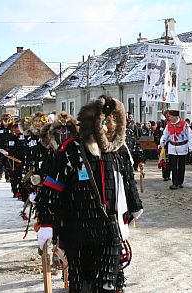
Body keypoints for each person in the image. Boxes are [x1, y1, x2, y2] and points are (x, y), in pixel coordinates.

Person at [35, 95, 143, 292]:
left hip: (110, 232)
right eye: (104, 122)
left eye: (112, 122)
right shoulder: (71, 150)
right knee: (81, 286)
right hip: (77, 232)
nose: (109, 127)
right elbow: (51, 188)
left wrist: (134, 206)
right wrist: (47, 223)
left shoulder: (118, 151)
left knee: (107, 285)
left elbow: (127, 181)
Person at [160, 109, 192, 189]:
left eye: (171, 117)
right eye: (169, 117)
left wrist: (191, 147)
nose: (169, 118)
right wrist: (162, 141)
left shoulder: (184, 125)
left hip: (182, 148)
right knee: (173, 166)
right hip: (172, 148)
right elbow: (165, 135)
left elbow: (190, 135)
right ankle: (174, 183)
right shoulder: (168, 125)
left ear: (176, 117)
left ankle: (180, 182)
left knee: (181, 166)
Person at [0, 114, 13, 181]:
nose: (5, 121)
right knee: (0, 163)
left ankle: (8, 176)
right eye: (4, 119)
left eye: (7, 119)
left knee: (8, 163)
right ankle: (0, 173)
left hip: (9, 149)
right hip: (0, 149)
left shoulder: (12, 128)